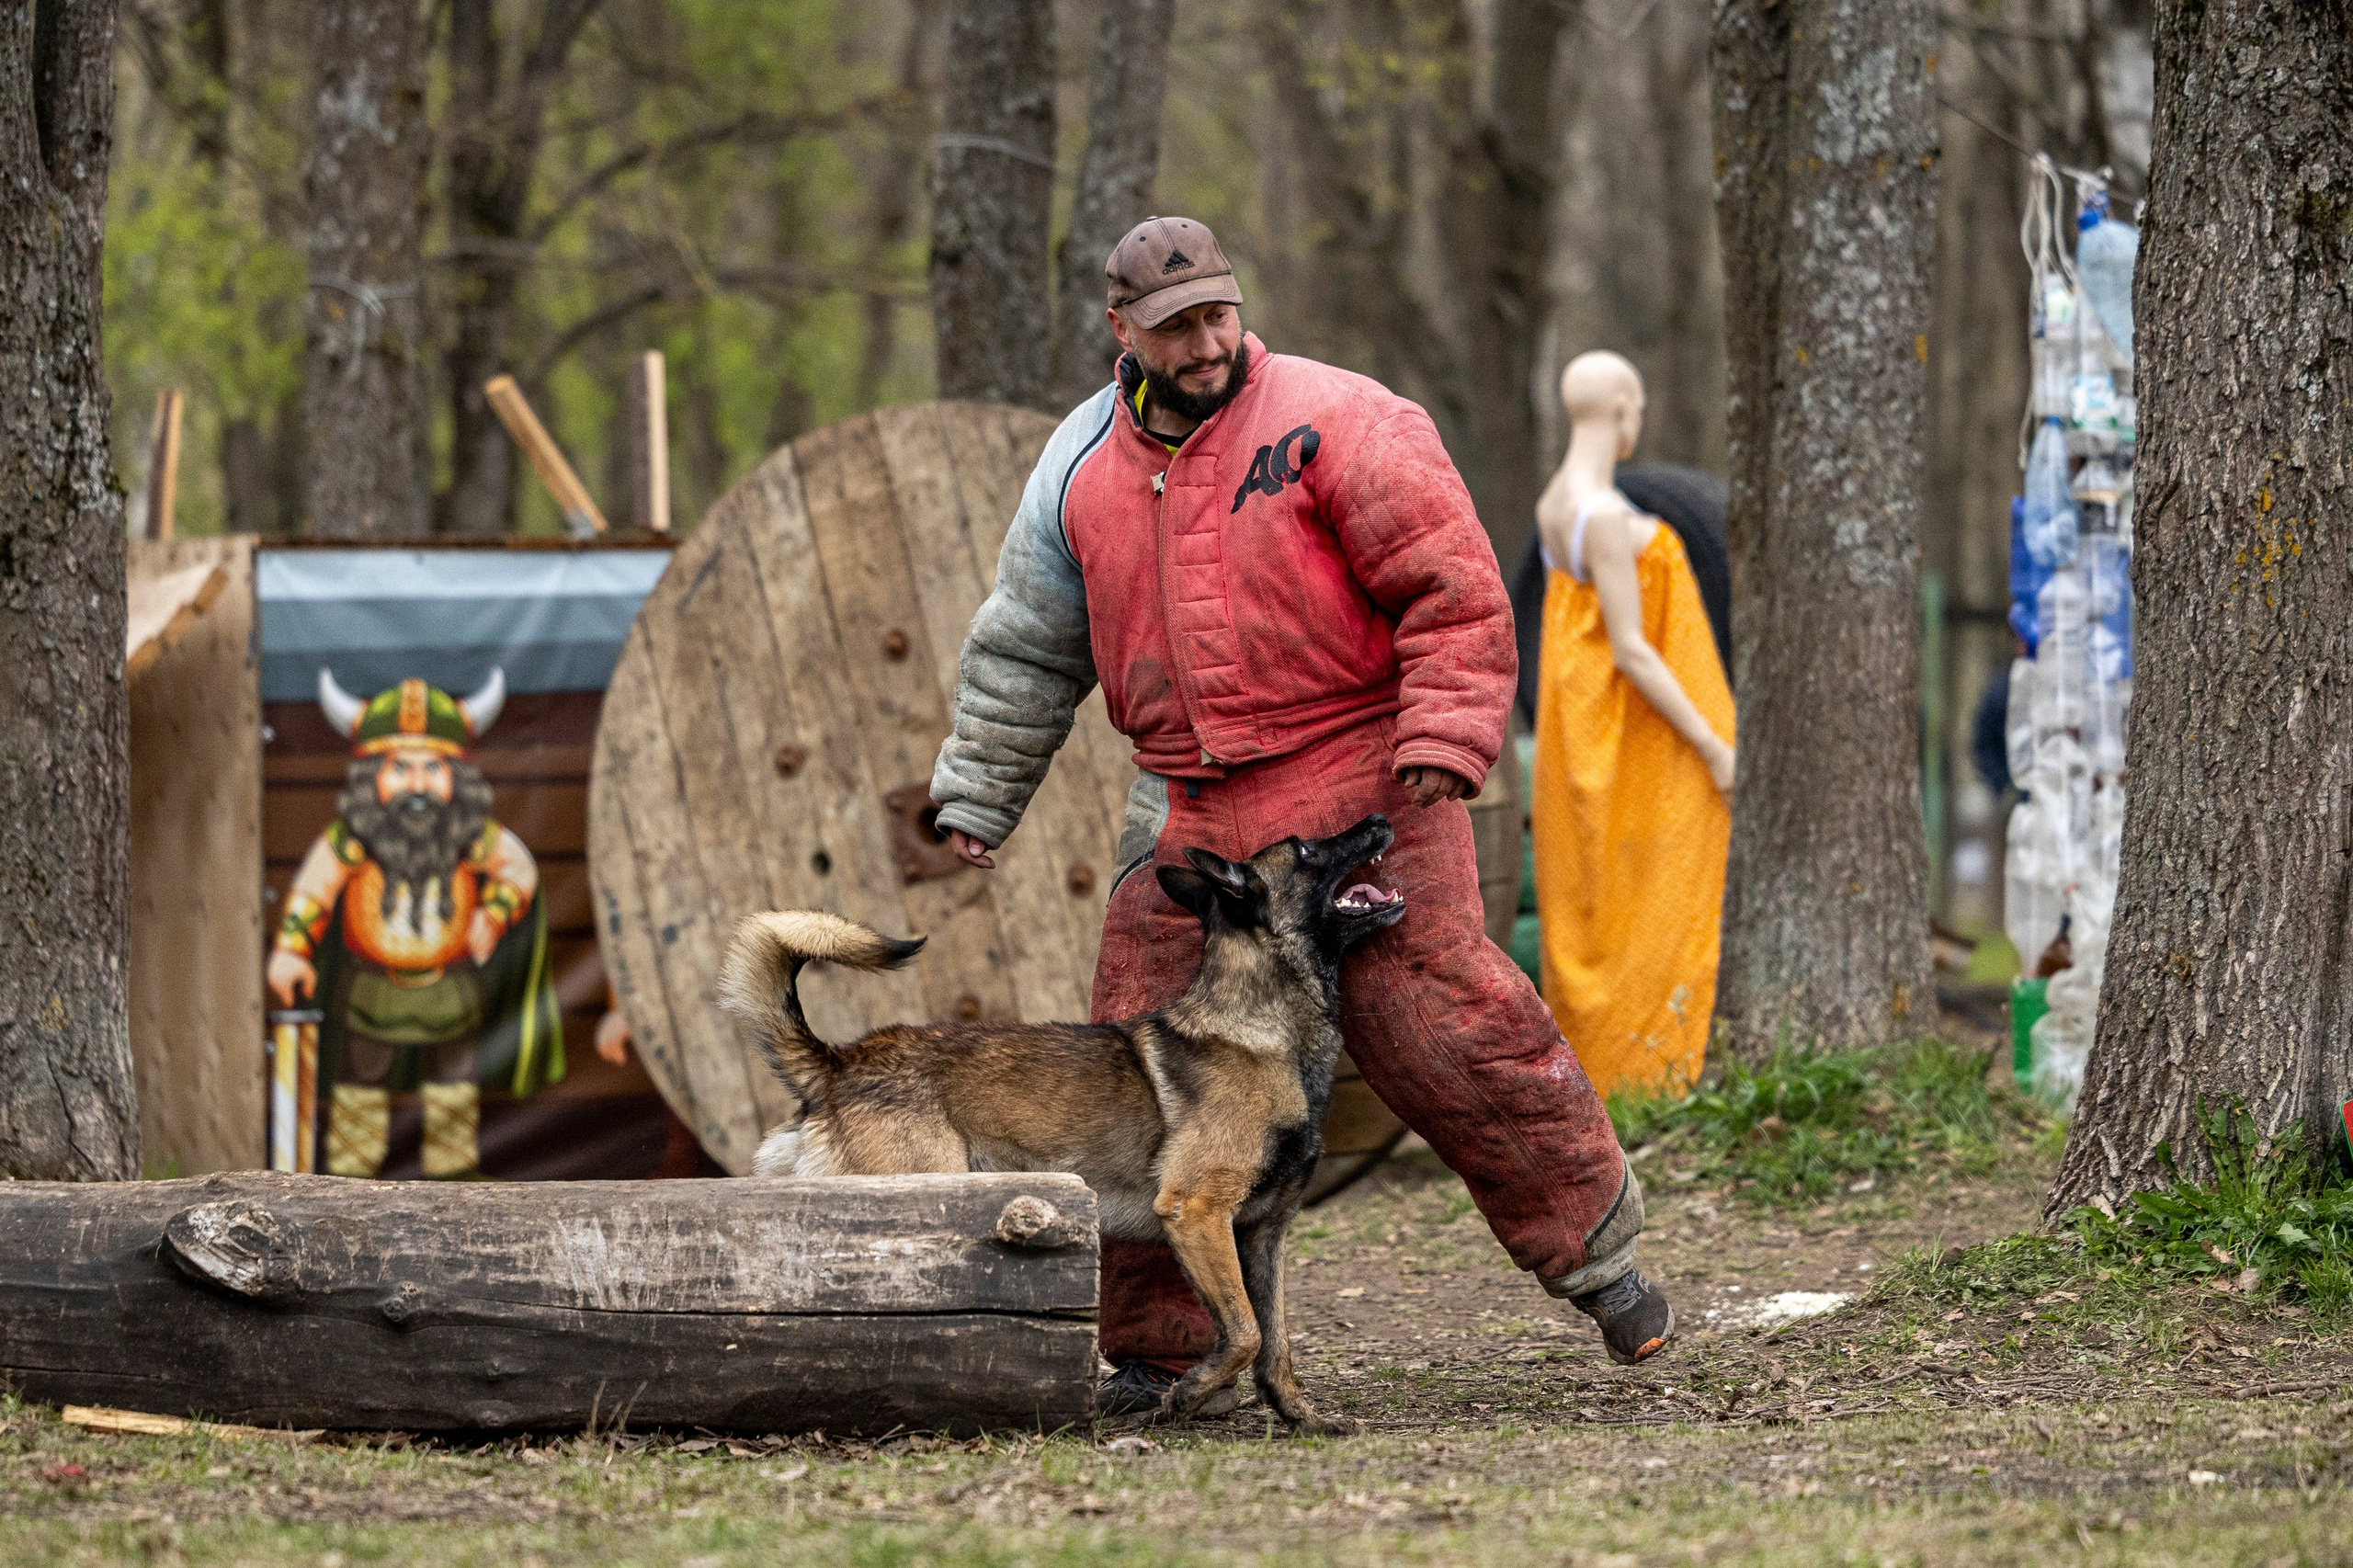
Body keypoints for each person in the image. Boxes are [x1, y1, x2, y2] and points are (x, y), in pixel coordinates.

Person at [927, 216, 1673, 1414]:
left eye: (1218, 313)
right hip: (1187, 798)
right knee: (1131, 1064)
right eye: (1176, 326)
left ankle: (1601, 1261)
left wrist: (1443, 733)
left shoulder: (1345, 420)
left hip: (1366, 776)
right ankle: (1165, 1351)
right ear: (1122, 331)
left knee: (1441, 1019)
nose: (1205, 340)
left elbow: (1453, 587)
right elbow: (1024, 646)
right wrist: (979, 789)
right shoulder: (1075, 467)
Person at [1528, 352, 1735, 1101]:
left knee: (1608, 907)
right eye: (1639, 406)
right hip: (1647, 745)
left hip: (1588, 731)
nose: (1638, 421)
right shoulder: (1605, 517)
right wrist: (1712, 745)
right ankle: (1652, 1075)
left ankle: (1610, 1075)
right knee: (1658, 905)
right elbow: (1632, 651)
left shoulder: (1554, 504)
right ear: (1621, 406)